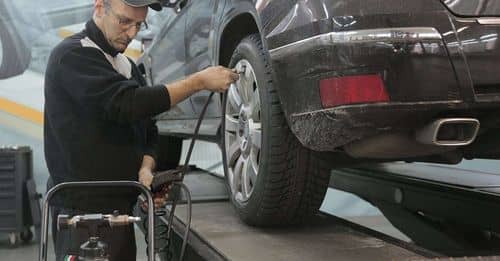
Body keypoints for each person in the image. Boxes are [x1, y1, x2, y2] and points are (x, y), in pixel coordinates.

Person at [43, 0, 239, 260]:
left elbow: (149, 129)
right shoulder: (71, 56)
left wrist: (145, 170)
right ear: (100, 7)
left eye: (139, 24)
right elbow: (126, 104)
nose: (133, 33)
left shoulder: (127, 67)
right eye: (124, 21)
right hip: (81, 213)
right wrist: (199, 81)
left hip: (119, 210)